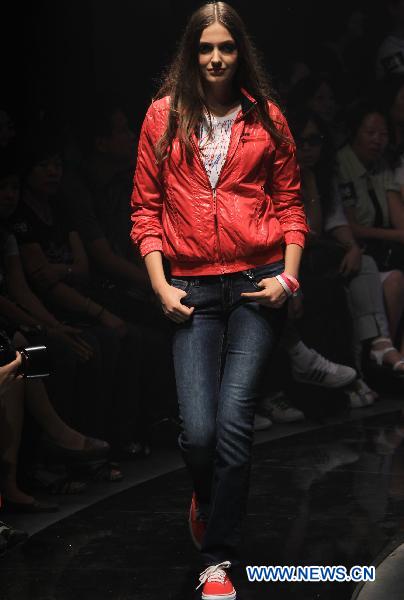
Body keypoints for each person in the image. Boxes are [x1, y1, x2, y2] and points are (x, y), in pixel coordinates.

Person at [130, 3, 308, 598]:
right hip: (190, 288)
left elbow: (291, 207)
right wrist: (159, 285)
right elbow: (144, 211)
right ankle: (207, 497)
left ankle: (219, 561)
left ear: (239, 53)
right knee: (199, 433)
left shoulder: (266, 118)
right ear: (190, 52)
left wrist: (288, 280)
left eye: (225, 48)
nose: (214, 58)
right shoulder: (163, 117)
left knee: (234, 422)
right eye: (205, 47)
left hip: (257, 282)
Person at [336, 101, 404, 360]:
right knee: (396, 279)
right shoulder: (342, 164)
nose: (378, 140)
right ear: (355, 132)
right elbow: (351, 226)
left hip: (384, 252)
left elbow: (399, 218)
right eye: (370, 133)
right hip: (355, 252)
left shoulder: (382, 166)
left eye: (383, 134)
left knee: (396, 279)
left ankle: (394, 357)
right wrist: (396, 236)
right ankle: (381, 357)